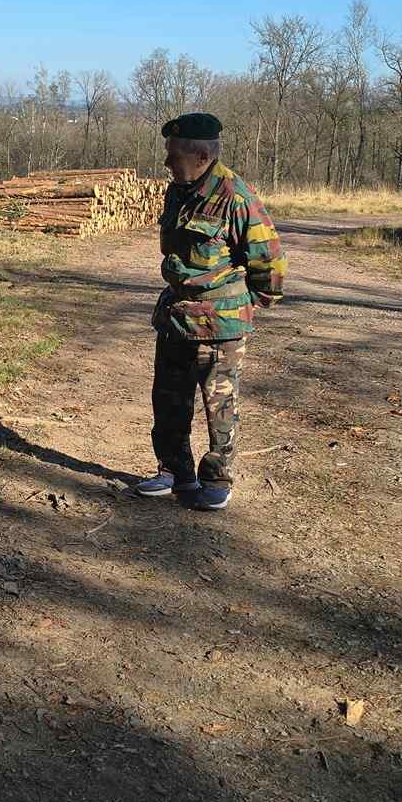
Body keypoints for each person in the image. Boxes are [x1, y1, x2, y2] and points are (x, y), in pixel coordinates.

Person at [135, 112, 285, 510]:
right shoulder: (177, 191)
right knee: (168, 400)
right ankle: (175, 471)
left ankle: (217, 478)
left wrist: (243, 304)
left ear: (201, 156)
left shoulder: (235, 197)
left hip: (220, 323)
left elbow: (269, 260)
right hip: (176, 316)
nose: (167, 161)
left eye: (174, 154)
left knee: (219, 407)